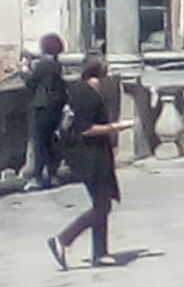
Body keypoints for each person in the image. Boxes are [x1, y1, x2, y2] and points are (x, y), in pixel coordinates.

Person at [47, 56, 129, 269]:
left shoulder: (81, 89)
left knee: (102, 203)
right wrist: (116, 127)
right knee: (102, 205)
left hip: (94, 154)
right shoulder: (87, 95)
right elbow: (86, 129)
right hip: (91, 156)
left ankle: (100, 253)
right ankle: (64, 238)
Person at [21, 33, 68, 191]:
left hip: (42, 106)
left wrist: (24, 70)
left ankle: (38, 178)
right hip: (56, 106)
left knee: (40, 143)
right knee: (51, 142)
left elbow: (31, 82)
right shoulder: (56, 64)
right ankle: (53, 175)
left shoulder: (43, 65)